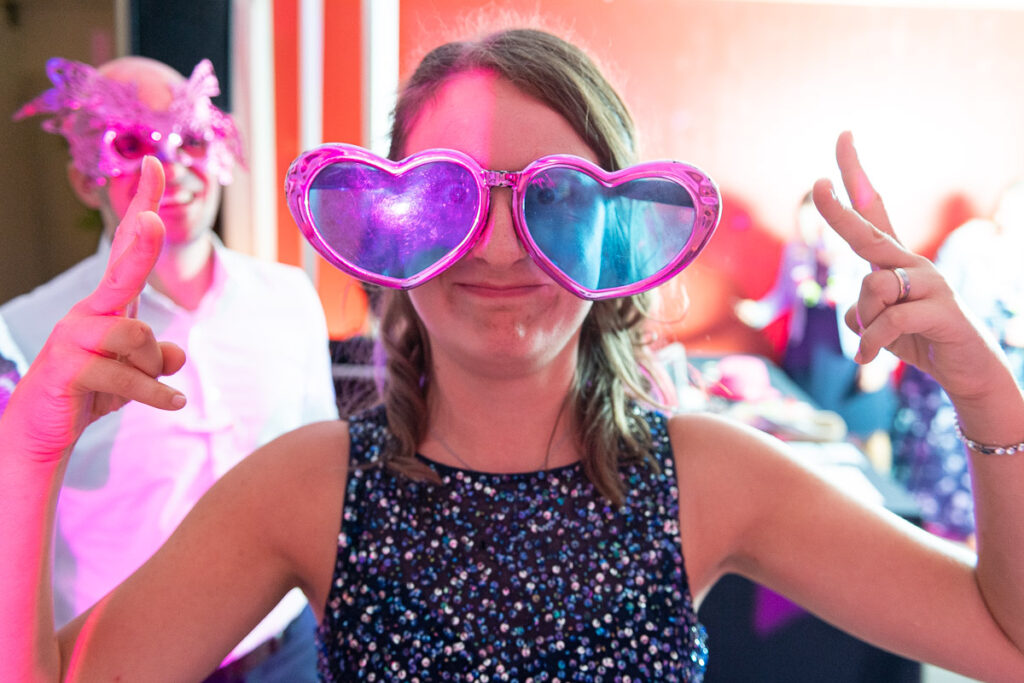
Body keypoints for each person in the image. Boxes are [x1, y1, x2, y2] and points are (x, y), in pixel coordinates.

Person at [3, 28, 1024, 681]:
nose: (495, 245)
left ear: (621, 237)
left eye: (556, 199)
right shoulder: (304, 487)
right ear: (390, 230)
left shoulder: (712, 478)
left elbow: (1004, 637)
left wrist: (991, 398)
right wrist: (27, 457)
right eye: (449, 196)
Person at [2, 56, 338, 680]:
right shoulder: (24, 333)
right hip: (131, 662)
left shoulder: (290, 299)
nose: (171, 167)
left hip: (287, 651)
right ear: (84, 177)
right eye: (131, 143)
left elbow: (324, 476)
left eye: (188, 138)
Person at [891, 180, 1024, 544]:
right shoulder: (970, 241)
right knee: (938, 447)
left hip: (1007, 365)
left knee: (992, 447)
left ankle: (976, 540)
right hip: (951, 359)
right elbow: (941, 295)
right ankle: (919, 530)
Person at [736, 190, 899, 451]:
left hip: (852, 353)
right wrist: (756, 313)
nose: (812, 233)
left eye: (819, 224)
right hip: (809, 349)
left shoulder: (863, 254)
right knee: (809, 428)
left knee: (866, 431)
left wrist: (881, 363)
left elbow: (891, 311)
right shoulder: (797, 251)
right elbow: (783, 296)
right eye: (805, 225)